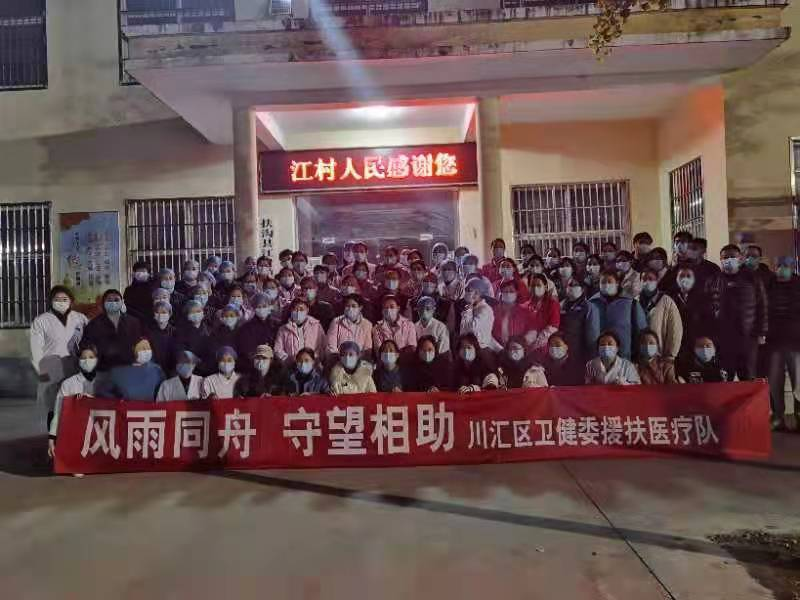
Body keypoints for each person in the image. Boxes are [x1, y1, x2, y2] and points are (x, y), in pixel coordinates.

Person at [705, 244, 768, 380]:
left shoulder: (752, 278)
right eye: (725, 257)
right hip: (723, 338)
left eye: (732, 256)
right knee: (725, 376)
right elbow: (707, 308)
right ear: (720, 260)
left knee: (748, 376)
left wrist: (761, 332)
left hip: (748, 337)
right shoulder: (714, 280)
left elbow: (762, 306)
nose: (728, 260)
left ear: (740, 259)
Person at [30, 286, 89, 427]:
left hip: (74, 368)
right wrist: (42, 373)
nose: (61, 302)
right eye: (57, 299)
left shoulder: (80, 318)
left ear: (71, 301)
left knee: (75, 405)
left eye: (64, 299)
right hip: (52, 370)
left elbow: (91, 339)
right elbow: (35, 350)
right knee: (54, 408)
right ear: (51, 301)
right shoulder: (41, 321)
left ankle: (72, 437)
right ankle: (54, 438)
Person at [48, 342, 100, 457]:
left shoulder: (104, 382)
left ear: (97, 359)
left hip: (100, 437)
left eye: (91, 357)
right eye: (83, 358)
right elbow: (58, 412)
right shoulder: (68, 384)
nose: (87, 361)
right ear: (78, 361)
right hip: (76, 436)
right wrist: (52, 438)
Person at [765, 257, 800, 429]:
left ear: (793, 267)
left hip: (796, 342)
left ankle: (799, 417)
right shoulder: (768, 284)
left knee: (798, 382)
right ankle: (778, 416)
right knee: (775, 382)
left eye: (786, 266)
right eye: (779, 265)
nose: (782, 268)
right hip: (774, 342)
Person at [587, 271, 647, 360]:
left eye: (609, 281)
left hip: (624, 357)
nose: (606, 285)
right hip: (596, 358)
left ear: (617, 283)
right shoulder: (591, 304)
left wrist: (637, 356)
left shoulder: (631, 304)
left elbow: (642, 333)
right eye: (603, 282)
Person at [84, 289, 143, 372]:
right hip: (103, 369)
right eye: (109, 300)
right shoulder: (93, 324)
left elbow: (138, 344)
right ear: (104, 303)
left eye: (116, 300)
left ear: (122, 302)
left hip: (128, 368)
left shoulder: (133, 322)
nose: (113, 303)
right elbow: (87, 346)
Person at [100, 337, 166, 401]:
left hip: (152, 407)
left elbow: (164, 392)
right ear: (133, 349)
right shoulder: (116, 372)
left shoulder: (157, 370)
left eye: (148, 348)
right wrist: (118, 402)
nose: (146, 351)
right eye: (142, 348)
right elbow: (103, 393)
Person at [638, 268, 683, 361]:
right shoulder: (635, 301)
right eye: (644, 279)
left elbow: (675, 329)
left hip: (661, 356)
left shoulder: (667, 301)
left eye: (650, 279)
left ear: (657, 281)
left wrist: (671, 355)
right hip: (639, 357)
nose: (647, 282)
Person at [667, 265, 706, 363]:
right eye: (681, 276)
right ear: (676, 278)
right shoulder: (669, 297)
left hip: (696, 344)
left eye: (688, 276)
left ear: (694, 278)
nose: (685, 279)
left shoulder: (703, 297)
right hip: (675, 343)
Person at [274, 298, 326, 364]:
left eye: (301, 309)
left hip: (313, 364)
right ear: (291, 311)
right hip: (291, 365)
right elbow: (277, 350)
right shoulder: (283, 329)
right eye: (295, 309)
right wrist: (289, 360)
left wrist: (313, 359)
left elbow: (323, 347)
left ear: (307, 310)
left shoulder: (317, 326)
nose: (298, 312)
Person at [236, 292, 280, 366]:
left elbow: (279, 346)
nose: (262, 309)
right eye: (259, 307)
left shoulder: (276, 325)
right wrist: (259, 360)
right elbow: (246, 350)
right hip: (254, 364)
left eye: (264, 306)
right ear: (254, 308)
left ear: (269, 306)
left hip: (273, 365)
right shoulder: (246, 328)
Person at [559, 278, 596, 364]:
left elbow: (592, 333)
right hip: (563, 349)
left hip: (580, 351)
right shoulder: (561, 305)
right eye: (569, 285)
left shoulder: (588, 307)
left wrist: (591, 355)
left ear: (582, 289)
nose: (571, 287)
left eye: (575, 285)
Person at [326, 294, 373, 360]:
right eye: (347, 306)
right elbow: (331, 347)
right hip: (339, 360)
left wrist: (355, 359)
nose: (350, 309)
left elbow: (367, 349)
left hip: (359, 361)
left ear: (360, 307)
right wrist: (342, 358)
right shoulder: (336, 322)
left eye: (353, 306)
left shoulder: (367, 324)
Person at [491, 279, 533, 351]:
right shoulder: (493, 311)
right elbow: (488, 333)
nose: (508, 294)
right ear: (501, 293)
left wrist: (521, 345)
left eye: (511, 291)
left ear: (517, 293)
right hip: (496, 350)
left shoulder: (524, 312)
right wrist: (498, 349)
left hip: (518, 349)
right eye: (505, 291)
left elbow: (531, 331)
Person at [175, 300, 213, 375]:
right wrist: (193, 359)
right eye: (192, 312)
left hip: (208, 368)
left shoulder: (209, 329)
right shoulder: (181, 332)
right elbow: (180, 351)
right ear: (187, 314)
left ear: (203, 313)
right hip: (189, 369)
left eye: (198, 311)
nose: (196, 314)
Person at [459, 278, 496, 351]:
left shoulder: (485, 310)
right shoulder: (471, 307)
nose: (466, 293)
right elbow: (463, 329)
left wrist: (468, 311)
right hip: (467, 346)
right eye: (466, 290)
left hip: (480, 349)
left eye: (469, 290)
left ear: (477, 294)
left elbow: (472, 328)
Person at [146, 300, 177, 374]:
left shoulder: (175, 332)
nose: (160, 315)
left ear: (170, 314)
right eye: (157, 312)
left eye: (163, 312)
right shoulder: (148, 332)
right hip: (153, 371)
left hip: (172, 372)